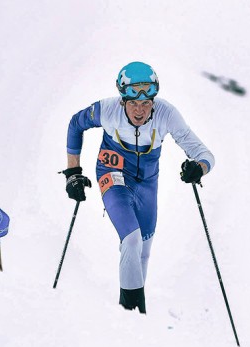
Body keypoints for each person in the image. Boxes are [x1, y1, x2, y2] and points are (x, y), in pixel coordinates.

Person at [62, 61, 214, 313]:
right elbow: (75, 125)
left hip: (147, 182)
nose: (140, 110)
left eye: (146, 102)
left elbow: (204, 153)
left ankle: (136, 324)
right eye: (133, 103)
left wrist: (200, 167)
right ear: (123, 100)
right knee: (131, 240)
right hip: (112, 173)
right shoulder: (107, 109)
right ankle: (130, 313)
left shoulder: (167, 114)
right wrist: (72, 172)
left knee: (143, 249)